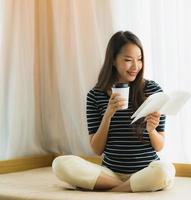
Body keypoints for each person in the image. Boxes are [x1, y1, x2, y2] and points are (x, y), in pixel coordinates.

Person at [52, 31, 176, 192]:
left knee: (164, 171)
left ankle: (112, 190)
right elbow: (97, 149)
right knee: (61, 164)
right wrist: (108, 115)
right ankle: (127, 187)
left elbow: (159, 146)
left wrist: (151, 130)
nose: (135, 66)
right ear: (113, 60)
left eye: (139, 60)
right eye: (128, 60)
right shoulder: (95, 95)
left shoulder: (153, 90)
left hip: (146, 170)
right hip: (110, 173)